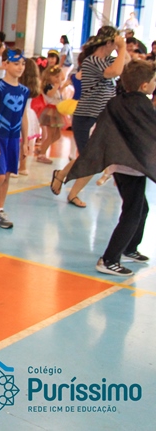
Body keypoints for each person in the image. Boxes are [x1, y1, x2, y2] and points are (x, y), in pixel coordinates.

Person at [66, 60, 155, 275]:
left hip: (122, 165)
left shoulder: (118, 102)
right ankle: (109, 259)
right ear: (144, 85)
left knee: (141, 208)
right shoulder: (141, 105)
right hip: (131, 167)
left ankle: (129, 248)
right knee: (132, 212)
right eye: (153, 80)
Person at [51, 27, 128, 208]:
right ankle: (63, 179)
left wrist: (122, 49)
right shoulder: (91, 61)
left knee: (94, 158)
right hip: (86, 116)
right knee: (89, 157)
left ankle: (67, 183)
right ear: (108, 43)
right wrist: (122, 47)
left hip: (103, 116)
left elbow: (126, 65)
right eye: (114, 43)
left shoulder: (108, 60)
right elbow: (114, 72)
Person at [0, 49, 29, 232]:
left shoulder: (24, 91)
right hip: (0, 138)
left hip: (14, 138)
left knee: (8, 174)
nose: (20, 67)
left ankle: (0, 210)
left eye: (23, 64)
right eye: (16, 63)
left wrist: (25, 142)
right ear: (6, 64)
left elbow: (23, 116)